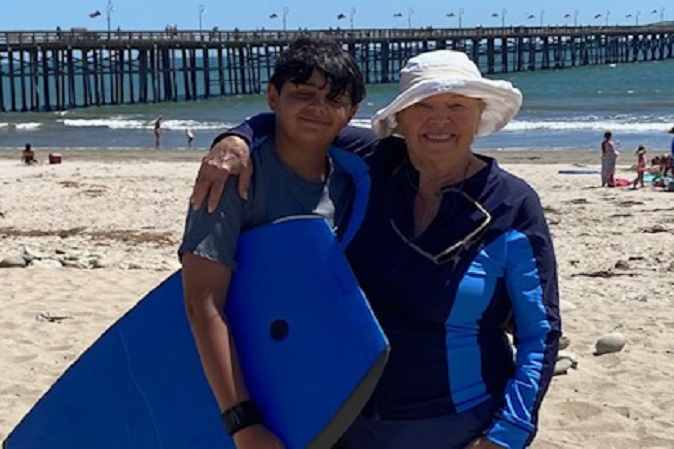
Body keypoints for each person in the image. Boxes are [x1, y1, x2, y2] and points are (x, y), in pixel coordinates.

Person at [194, 49, 561, 449]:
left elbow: (539, 333)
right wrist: (235, 140)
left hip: (457, 426)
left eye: (457, 105)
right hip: (346, 420)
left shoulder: (511, 204)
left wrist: (506, 436)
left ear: (479, 117)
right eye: (423, 105)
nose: (440, 119)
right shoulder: (377, 163)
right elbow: (302, 121)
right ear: (400, 118)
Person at [178, 37, 366, 449]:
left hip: (321, 375)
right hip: (246, 377)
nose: (318, 108)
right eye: (303, 95)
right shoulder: (232, 177)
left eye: (334, 99)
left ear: (351, 113)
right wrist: (242, 422)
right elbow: (202, 303)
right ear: (273, 96)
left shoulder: (354, 180)